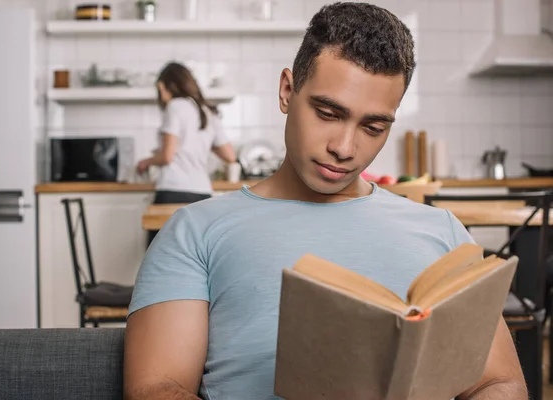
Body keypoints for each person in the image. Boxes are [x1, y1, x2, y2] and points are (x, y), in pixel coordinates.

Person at [124, 3, 527, 400]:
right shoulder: (195, 231)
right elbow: (156, 388)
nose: (344, 148)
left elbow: (501, 382)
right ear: (287, 91)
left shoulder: (443, 233)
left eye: (373, 127)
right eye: (328, 113)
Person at [136, 62, 237, 243]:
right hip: (202, 195)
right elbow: (230, 155)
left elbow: (167, 156)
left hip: (173, 191)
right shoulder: (207, 110)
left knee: (161, 256)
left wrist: (147, 161)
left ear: (162, 86)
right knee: (194, 258)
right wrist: (202, 140)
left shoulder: (175, 106)